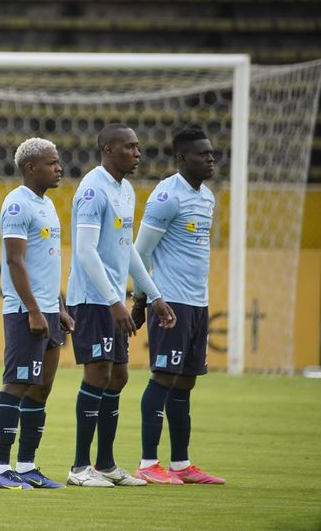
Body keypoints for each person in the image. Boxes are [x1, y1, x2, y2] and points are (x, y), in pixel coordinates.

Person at [65, 123, 176, 488]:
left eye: (138, 146)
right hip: (93, 299)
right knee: (98, 374)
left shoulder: (125, 190)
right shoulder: (93, 189)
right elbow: (84, 250)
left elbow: (127, 248)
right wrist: (115, 301)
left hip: (111, 298)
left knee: (119, 376)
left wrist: (153, 295)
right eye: (130, 146)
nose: (138, 152)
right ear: (109, 150)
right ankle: (80, 467)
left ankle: (107, 464)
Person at [133, 126, 225, 485]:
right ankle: (147, 462)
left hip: (197, 303)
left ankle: (181, 464)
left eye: (212, 152)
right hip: (169, 302)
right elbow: (139, 252)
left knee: (185, 382)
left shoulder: (207, 197)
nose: (211, 158)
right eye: (203, 154)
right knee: (163, 377)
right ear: (182, 158)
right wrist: (142, 300)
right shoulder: (166, 196)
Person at [0, 137, 72, 490]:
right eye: (52, 163)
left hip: (50, 311)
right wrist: (35, 310)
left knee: (42, 388)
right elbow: (14, 261)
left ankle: (26, 466)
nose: (59, 168)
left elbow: (45, 264)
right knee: (17, 384)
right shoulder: (17, 204)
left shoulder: (47, 205)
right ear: (30, 168)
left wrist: (60, 308)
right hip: (27, 312)